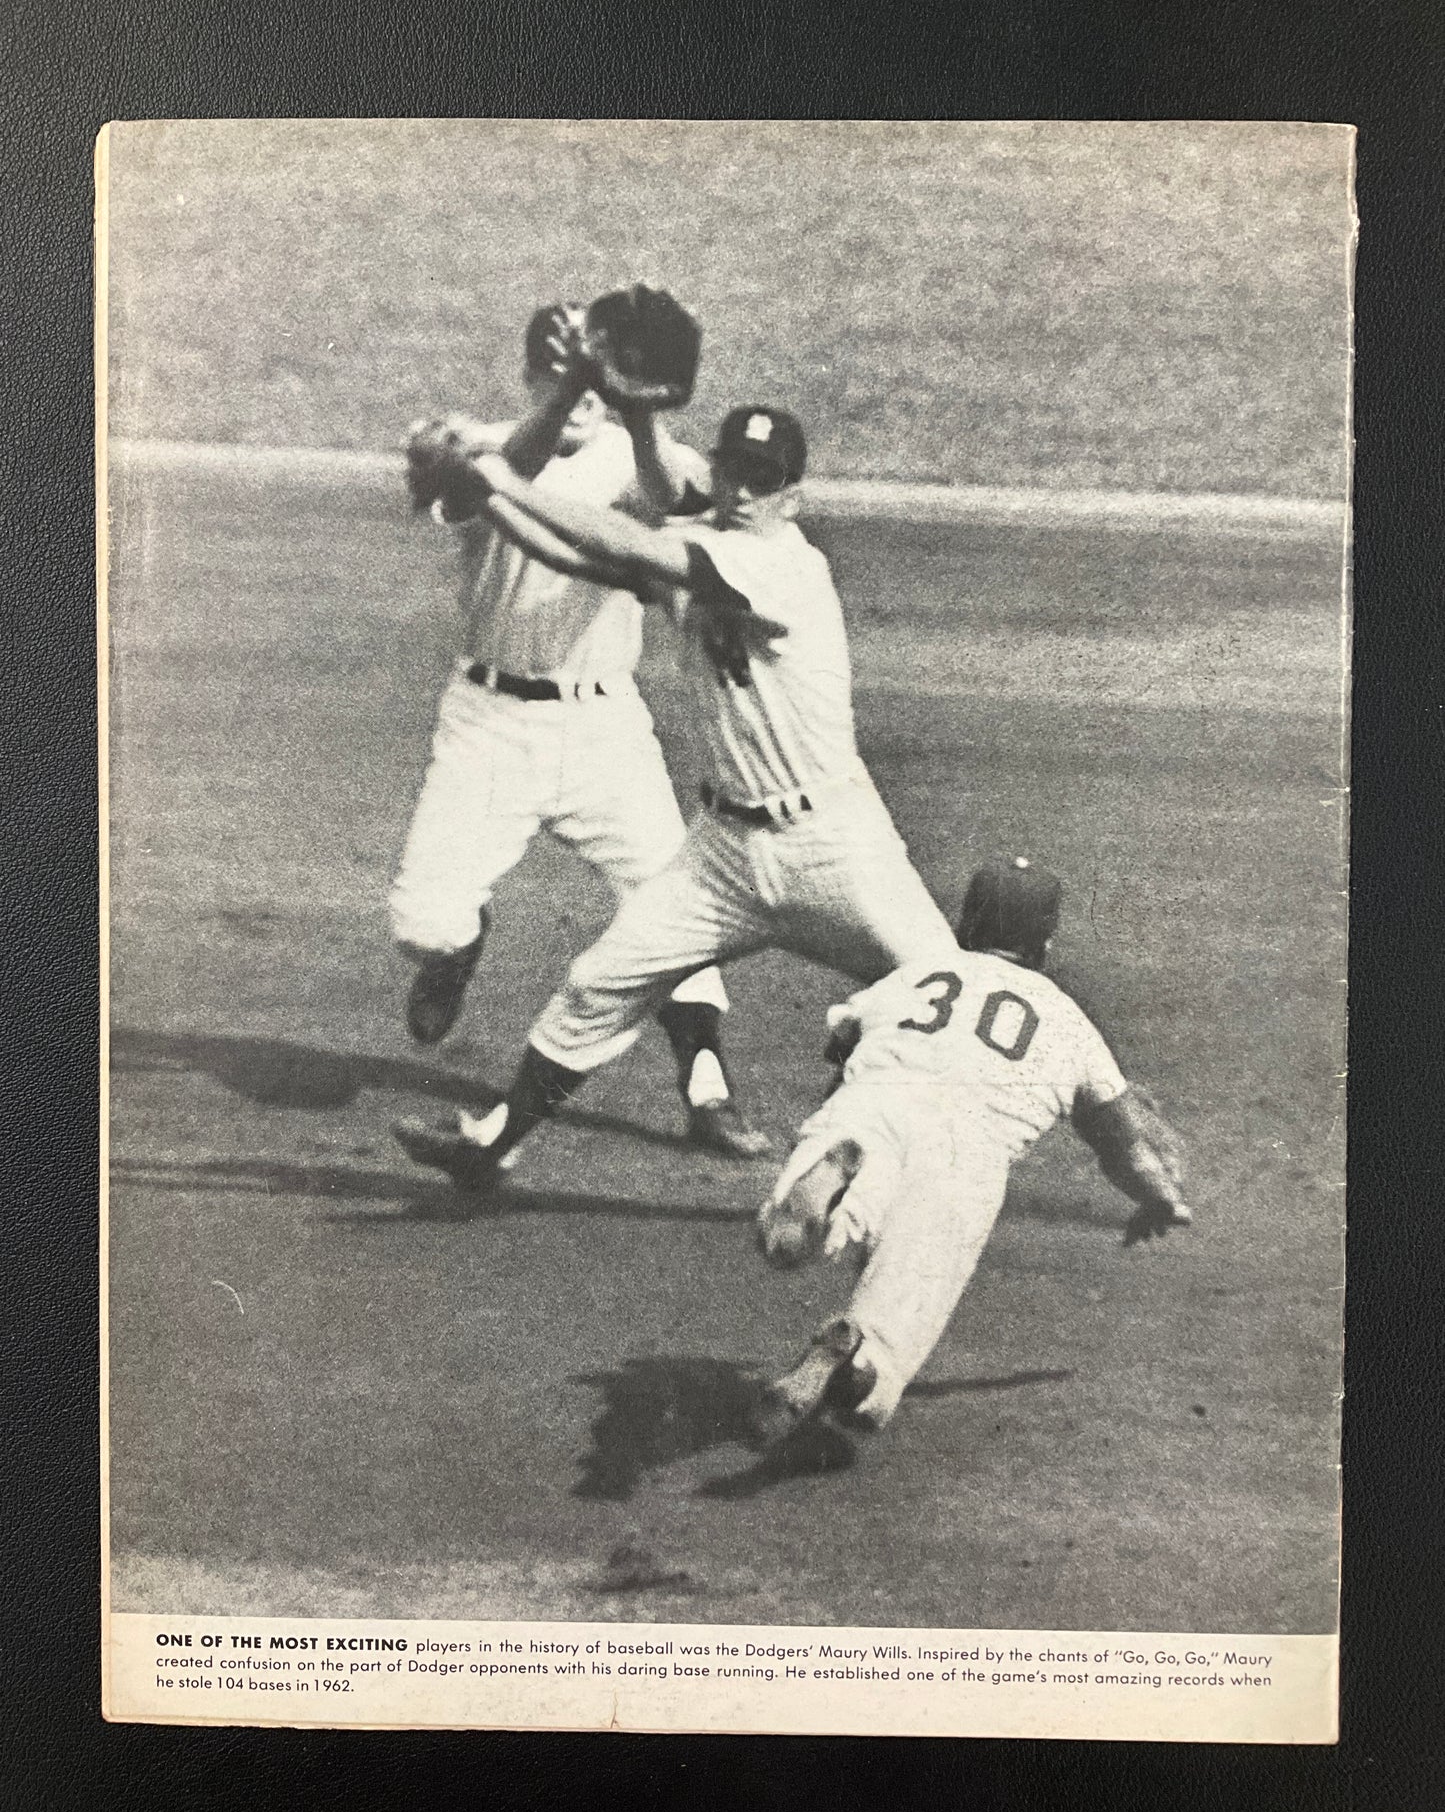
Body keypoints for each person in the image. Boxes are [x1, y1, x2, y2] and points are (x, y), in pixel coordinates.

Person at [392, 402, 962, 1196]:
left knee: (948, 990)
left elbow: (625, 541)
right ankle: (494, 1147)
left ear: (792, 495)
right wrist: (484, 496)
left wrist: (499, 478)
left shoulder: (783, 565)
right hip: (722, 853)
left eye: (763, 480)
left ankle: (1049, 1127)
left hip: (831, 840)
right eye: (732, 471)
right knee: (596, 986)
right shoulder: (707, 544)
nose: (743, 491)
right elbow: (583, 556)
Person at [390, 304, 767, 1158]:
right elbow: (497, 474)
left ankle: (706, 1086)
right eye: (567, 373)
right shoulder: (484, 445)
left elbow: (672, 499)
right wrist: (572, 388)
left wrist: (634, 406)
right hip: (489, 725)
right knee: (423, 924)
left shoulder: (642, 452)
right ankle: (456, 951)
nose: (588, 390)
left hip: (604, 727)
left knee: (672, 903)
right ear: (533, 376)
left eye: (604, 371)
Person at [752, 857, 1191, 1444]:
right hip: (966, 1154)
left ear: (966, 922)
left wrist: (833, 1121)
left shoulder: (919, 975)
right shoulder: (1068, 1022)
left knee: (788, 1236)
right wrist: (1159, 1200)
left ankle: (825, 1201)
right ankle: (855, 1353)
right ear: (1045, 943)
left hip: (874, 1104)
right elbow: (1125, 1146)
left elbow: (843, 1047)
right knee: (894, 1327)